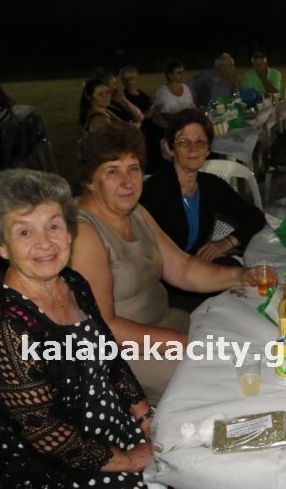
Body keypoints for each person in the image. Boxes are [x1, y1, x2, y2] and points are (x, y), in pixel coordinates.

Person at [0, 169, 152, 487]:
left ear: (69, 234)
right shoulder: (2, 325)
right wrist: (131, 460)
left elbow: (110, 356)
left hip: (111, 429)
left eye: (53, 226)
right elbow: (45, 433)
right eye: (25, 232)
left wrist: (145, 415)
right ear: (2, 246)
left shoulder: (73, 284)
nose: (44, 243)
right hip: (50, 468)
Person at [71, 123, 258, 403]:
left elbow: (182, 268)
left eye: (133, 168)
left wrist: (243, 276)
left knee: (245, 342)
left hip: (165, 325)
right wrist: (181, 343)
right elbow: (104, 326)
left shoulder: (135, 212)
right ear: (90, 180)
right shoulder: (84, 232)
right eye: (112, 171)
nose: (128, 181)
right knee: (224, 376)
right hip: (124, 354)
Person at [141, 108, 266, 309]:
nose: (193, 149)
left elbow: (255, 216)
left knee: (247, 282)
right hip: (165, 284)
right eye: (184, 142)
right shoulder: (154, 191)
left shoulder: (210, 186)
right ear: (170, 148)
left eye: (200, 142)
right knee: (234, 299)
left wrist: (225, 243)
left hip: (198, 273)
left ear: (208, 149)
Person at [152, 61, 195, 129]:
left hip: (185, 125)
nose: (182, 75)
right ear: (170, 75)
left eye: (183, 72)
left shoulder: (186, 88)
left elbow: (191, 107)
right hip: (168, 128)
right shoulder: (163, 92)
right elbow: (164, 115)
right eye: (178, 73)